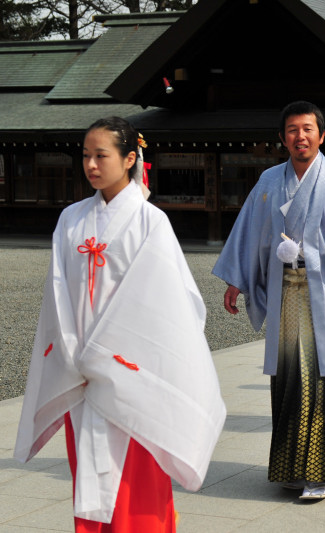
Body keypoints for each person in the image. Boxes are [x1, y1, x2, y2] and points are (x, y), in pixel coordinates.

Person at [15, 117, 226, 531]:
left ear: (130, 159)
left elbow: (169, 303)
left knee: (138, 483)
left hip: (134, 372)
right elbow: (57, 297)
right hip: (82, 373)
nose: (91, 165)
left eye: (101, 156)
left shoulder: (151, 222)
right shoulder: (71, 220)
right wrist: (76, 355)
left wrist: (110, 354)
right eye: (86, 156)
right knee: (88, 476)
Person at [212, 101, 325, 500]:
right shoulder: (270, 181)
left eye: (308, 129)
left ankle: (320, 471)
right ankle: (293, 467)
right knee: (289, 377)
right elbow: (249, 233)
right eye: (292, 130)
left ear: (322, 136)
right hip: (285, 291)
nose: (300, 136)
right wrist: (236, 281)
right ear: (282, 138)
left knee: (322, 378)